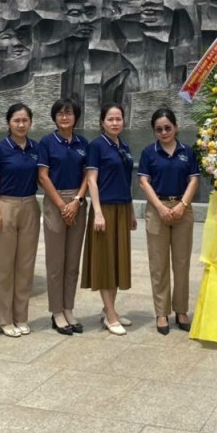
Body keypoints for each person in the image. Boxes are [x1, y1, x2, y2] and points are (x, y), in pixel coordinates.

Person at [137, 107, 200, 335]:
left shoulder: (187, 152)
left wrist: (182, 204)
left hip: (183, 210)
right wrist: (161, 207)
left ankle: (181, 310)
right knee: (159, 264)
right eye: (159, 129)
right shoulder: (148, 153)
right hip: (157, 210)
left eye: (167, 128)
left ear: (176, 127)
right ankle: (161, 313)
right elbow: (144, 182)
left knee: (182, 263)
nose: (164, 132)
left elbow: (193, 180)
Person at [0, 103, 41, 337]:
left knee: (25, 266)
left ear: (30, 123)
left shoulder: (35, 148)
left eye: (25, 120)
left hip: (30, 205)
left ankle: (21, 316)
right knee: (3, 266)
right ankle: (3, 318)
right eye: (16, 120)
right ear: (9, 122)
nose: (21, 124)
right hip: (6, 206)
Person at [81, 102, 135, 335]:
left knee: (117, 260)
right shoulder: (97, 146)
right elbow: (92, 180)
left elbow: (127, 181)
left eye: (118, 119)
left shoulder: (124, 146)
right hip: (105, 209)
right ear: (102, 122)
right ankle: (111, 316)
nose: (115, 123)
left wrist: (131, 211)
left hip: (122, 208)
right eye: (110, 119)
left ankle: (109, 309)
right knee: (105, 261)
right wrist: (98, 212)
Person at [36, 97, 89, 335]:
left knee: (72, 262)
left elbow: (89, 175)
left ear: (76, 117)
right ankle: (56, 311)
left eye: (69, 113)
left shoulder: (82, 143)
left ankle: (69, 308)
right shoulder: (47, 143)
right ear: (55, 117)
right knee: (56, 262)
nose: (65, 117)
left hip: (78, 201)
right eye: (60, 113)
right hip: (55, 202)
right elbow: (43, 176)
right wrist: (61, 205)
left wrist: (76, 202)